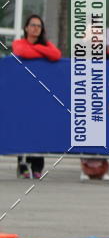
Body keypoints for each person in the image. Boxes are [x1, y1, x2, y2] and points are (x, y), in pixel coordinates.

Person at [12, 14, 61, 180]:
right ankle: (23, 166)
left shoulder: (46, 44)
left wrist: (38, 48)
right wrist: (42, 52)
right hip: (23, 94)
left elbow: (56, 54)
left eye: (39, 26)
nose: (35, 28)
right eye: (32, 25)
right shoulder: (19, 42)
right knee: (24, 129)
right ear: (26, 28)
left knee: (40, 129)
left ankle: (37, 166)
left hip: (41, 95)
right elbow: (21, 51)